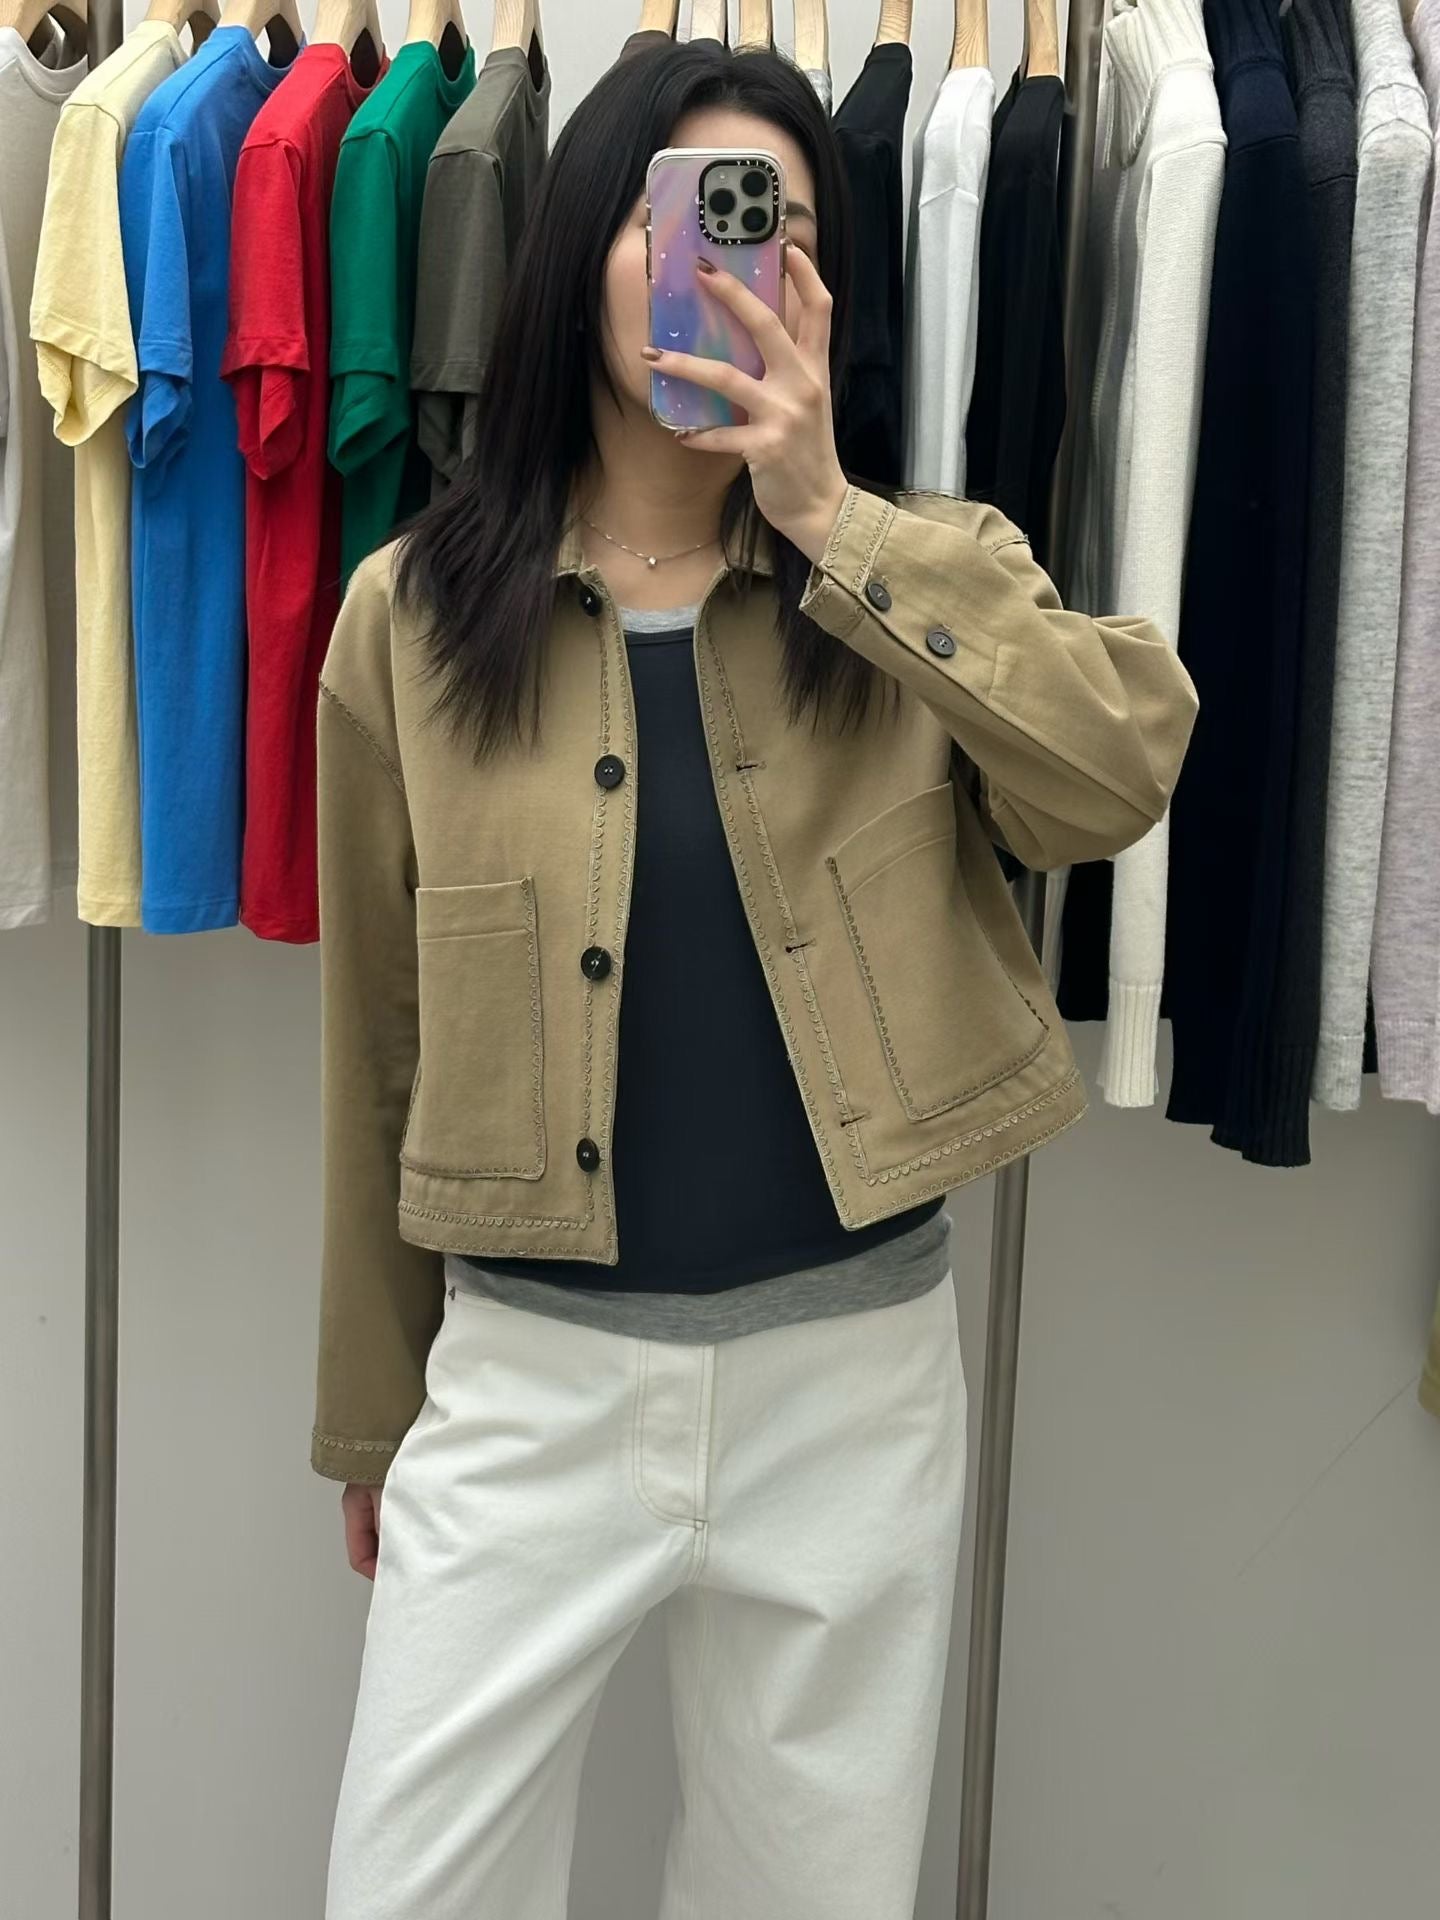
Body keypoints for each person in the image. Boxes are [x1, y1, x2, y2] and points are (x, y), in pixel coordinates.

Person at [314, 39, 1197, 1920]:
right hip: (527, 1385)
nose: (730, 261)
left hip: (850, 1395)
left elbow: (1119, 773)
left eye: (780, 229)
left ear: (825, 290)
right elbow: (378, 1042)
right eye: (688, 214)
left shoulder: (920, 572)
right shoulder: (412, 616)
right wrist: (375, 1418)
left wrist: (828, 517)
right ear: (588, 243)